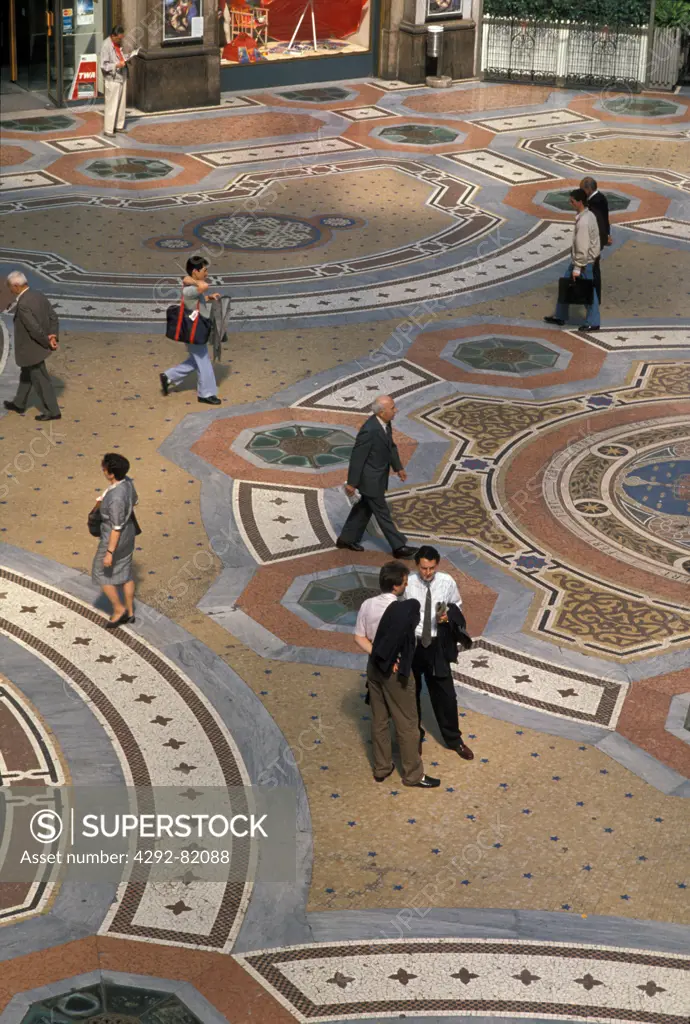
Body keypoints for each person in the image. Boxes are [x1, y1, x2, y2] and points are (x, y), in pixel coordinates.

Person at [355, 561, 440, 788]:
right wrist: (390, 658)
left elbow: (359, 638)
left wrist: (379, 655)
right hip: (395, 673)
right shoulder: (402, 610)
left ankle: (382, 768)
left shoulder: (367, 604)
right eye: (404, 582)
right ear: (396, 586)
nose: (406, 585)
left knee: (379, 720)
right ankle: (413, 775)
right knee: (407, 723)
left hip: (373, 667)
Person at [405, 546, 474, 762]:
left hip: (437, 644)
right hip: (413, 644)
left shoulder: (447, 581)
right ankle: (413, 737)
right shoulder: (408, 583)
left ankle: (454, 739)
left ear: (437, 565)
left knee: (445, 695)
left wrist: (448, 617)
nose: (427, 573)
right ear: (417, 565)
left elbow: (457, 606)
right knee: (410, 693)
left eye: (431, 568)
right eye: (424, 568)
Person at [336, 395, 416, 559]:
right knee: (382, 513)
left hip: (378, 476)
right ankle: (398, 546)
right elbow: (358, 457)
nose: (396, 410)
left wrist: (398, 467)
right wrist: (352, 483)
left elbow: (390, 447)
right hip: (370, 480)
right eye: (392, 408)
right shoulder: (369, 430)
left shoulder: (385, 423)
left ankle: (346, 539)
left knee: (364, 509)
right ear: (381, 412)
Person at [160, 255, 222, 406]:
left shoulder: (193, 289)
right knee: (203, 361)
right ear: (195, 271)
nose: (206, 274)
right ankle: (206, 393)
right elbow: (202, 287)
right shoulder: (190, 289)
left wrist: (209, 298)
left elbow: (198, 299)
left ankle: (169, 377)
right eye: (204, 270)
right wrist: (191, 279)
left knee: (196, 360)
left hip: (197, 327)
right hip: (195, 329)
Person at [3, 271, 61, 422]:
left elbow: (33, 329)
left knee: (41, 381)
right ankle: (19, 403)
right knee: (26, 374)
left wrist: (47, 342)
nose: (10, 290)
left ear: (16, 286)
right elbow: (53, 316)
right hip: (37, 347)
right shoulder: (38, 295)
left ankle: (52, 411)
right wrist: (53, 335)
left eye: (10, 287)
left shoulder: (23, 305)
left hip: (32, 349)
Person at [544, 188, 601, 333]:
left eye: (572, 201)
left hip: (582, 263)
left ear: (580, 202)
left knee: (588, 292)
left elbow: (582, 245)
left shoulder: (583, 222)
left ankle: (593, 322)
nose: (570, 203)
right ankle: (560, 315)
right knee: (566, 286)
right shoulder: (589, 215)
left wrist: (577, 267)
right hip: (583, 261)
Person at [92, 453, 139, 629]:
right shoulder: (127, 482)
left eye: (104, 468)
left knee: (101, 574)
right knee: (126, 572)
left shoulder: (116, 498)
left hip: (114, 538)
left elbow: (116, 527)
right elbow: (135, 500)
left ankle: (119, 610)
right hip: (129, 533)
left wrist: (109, 553)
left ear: (111, 473)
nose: (102, 470)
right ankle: (131, 612)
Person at [580, 176, 611, 304]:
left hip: (594, 241)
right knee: (594, 269)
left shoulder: (594, 202)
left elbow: (598, 222)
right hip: (599, 239)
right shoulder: (601, 198)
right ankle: (593, 297)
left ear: (588, 189)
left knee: (593, 270)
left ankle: (593, 297)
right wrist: (607, 235)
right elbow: (606, 219)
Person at [100, 26, 132, 137]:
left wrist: (127, 57)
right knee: (111, 104)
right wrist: (116, 65)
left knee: (121, 103)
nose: (120, 40)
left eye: (121, 38)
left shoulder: (117, 44)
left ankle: (119, 126)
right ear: (113, 36)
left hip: (121, 76)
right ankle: (108, 129)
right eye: (119, 38)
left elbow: (119, 55)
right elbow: (103, 65)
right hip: (112, 78)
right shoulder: (106, 45)